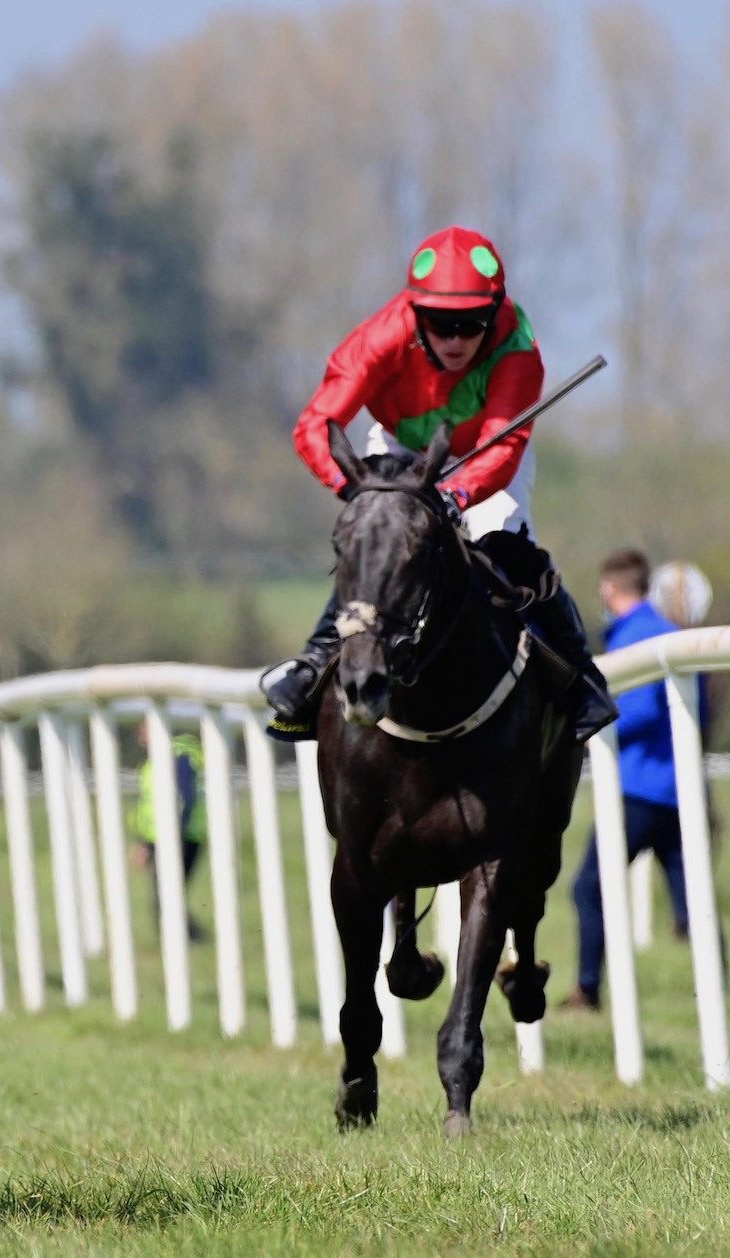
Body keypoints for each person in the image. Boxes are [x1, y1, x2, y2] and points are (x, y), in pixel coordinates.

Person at [260, 226, 617, 743]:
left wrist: (450, 496)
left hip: (484, 453)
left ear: (493, 316)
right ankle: (313, 669)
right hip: (401, 448)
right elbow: (315, 425)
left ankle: (580, 679)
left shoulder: (517, 348)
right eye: (440, 323)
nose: (454, 340)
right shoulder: (383, 335)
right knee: (377, 544)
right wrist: (354, 490)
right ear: (415, 313)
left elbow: (500, 449)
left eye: (470, 324)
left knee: (507, 547)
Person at [563, 549, 704, 1010]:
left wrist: (589, 732)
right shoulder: (671, 632)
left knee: (588, 888)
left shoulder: (634, 637)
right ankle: (716, 991)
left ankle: (587, 988)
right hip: (679, 788)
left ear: (610, 588)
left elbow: (639, 710)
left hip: (638, 790)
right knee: (693, 900)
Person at [127, 722, 209, 942]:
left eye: (144, 726)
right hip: (159, 837)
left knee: (166, 897)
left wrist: (177, 835)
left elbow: (187, 797)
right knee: (165, 897)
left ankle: (190, 942)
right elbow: (147, 806)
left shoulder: (179, 755)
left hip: (181, 836)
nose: (140, 733)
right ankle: (187, 942)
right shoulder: (153, 760)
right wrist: (143, 842)